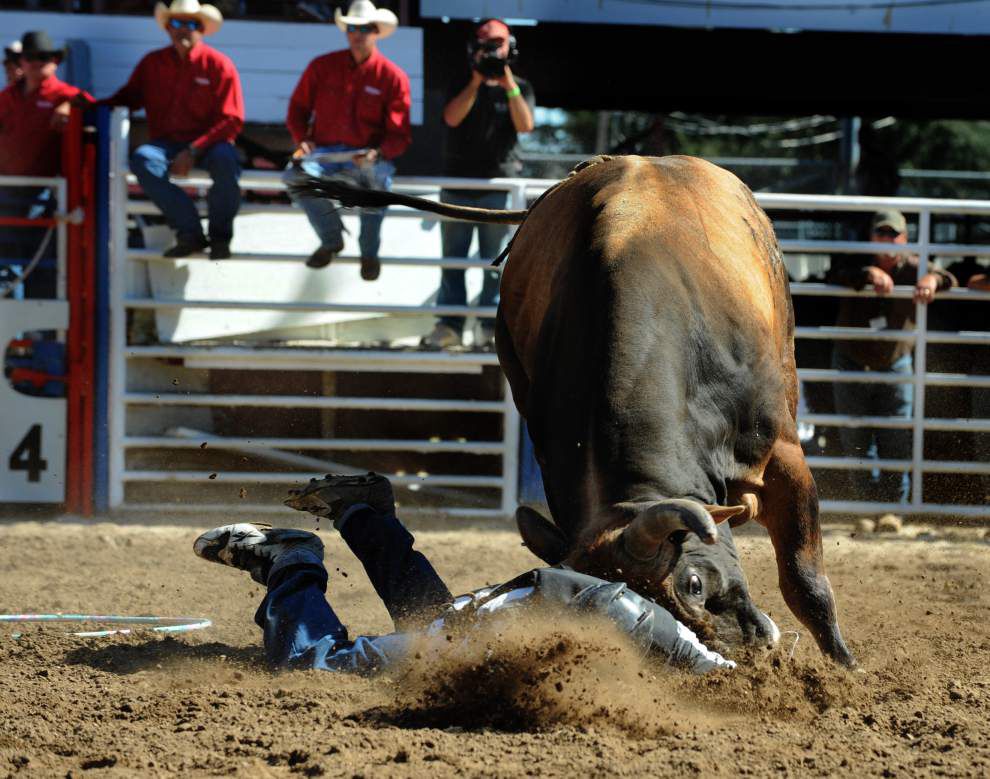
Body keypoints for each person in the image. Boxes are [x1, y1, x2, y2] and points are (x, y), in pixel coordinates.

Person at [193, 473, 734, 676]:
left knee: (436, 624)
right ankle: (291, 560)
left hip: (525, 607)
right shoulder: (692, 660)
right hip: (515, 618)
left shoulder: (685, 645)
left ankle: (360, 514)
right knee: (315, 668)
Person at [81, 0, 244, 260]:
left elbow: (232, 120)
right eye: (177, 23)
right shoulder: (152, 64)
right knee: (144, 160)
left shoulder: (219, 65)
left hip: (210, 144)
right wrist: (83, 105)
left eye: (191, 24)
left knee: (226, 160)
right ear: (167, 28)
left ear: (201, 29)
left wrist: (193, 149)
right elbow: (128, 98)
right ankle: (190, 231)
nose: (183, 30)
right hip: (167, 144)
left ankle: (220, 237)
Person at [828, 209, 956, 504]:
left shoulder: (915, 266)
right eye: (880, 233)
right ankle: (865, 505)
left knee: (896, 438)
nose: (886, 239)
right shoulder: (857, 259)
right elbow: (835, 272)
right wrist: (867, 273)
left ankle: (892, 509)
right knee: (855, 438)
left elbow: (947, 275)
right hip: (852, 358)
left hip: (895, 361)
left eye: (892, 234)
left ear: (905, 239)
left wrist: (932, 280)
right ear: (871, 237)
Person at [422, 19, 535, 350]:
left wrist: (506, 79)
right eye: (485, 42)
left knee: (494, 263)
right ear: (474, 46)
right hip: (458, 188)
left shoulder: (520, 86)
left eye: (497, 42)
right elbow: (451, 117)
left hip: (500, 189)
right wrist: (476, 80)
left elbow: (525, 125)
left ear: (509, 46)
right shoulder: (460, 80)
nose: (491, 48)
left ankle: (489, 327)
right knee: (452, 262)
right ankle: (450, 326)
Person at [282, 0, 411, 280]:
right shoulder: (321, 66)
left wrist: (377, 153)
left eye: (364, 28)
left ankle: (368, 252)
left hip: (366, 157)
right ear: (346, 31)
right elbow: (297, 110)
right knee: (294, 175)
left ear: (376, 31)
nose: (358, 33)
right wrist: (302, 141)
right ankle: (332, 240)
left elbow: (399, 135)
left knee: (375, 185)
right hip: (325, 154)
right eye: (352, 27)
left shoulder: (393, 77)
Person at [0, 31, 90, 297]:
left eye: (43, 57)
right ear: (22, 62)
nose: (36, 62)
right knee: (12, 253)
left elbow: (91, 106)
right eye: (30, 57)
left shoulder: (62, 94)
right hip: (9, 187)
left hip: (38, 189)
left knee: (19, 255)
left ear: (54, 61)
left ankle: (14, 315)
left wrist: (70, 107)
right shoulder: (9, 97)